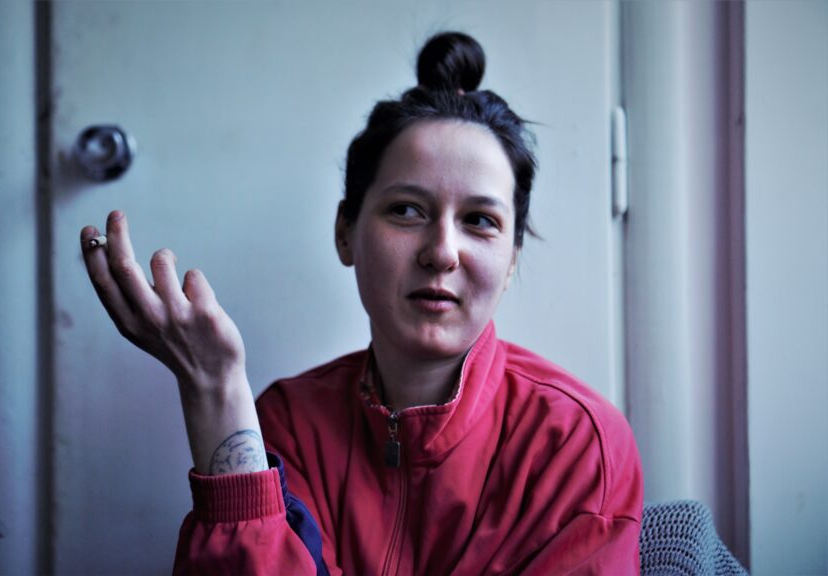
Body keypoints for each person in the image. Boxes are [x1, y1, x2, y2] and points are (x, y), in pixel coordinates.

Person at [81, 32, 643, 575]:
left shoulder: (576, 445)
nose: (442, 252)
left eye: (480, 221)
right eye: (406, 210)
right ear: (345, 231)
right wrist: (215, 388)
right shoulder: (284, 427)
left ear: (513, 257)